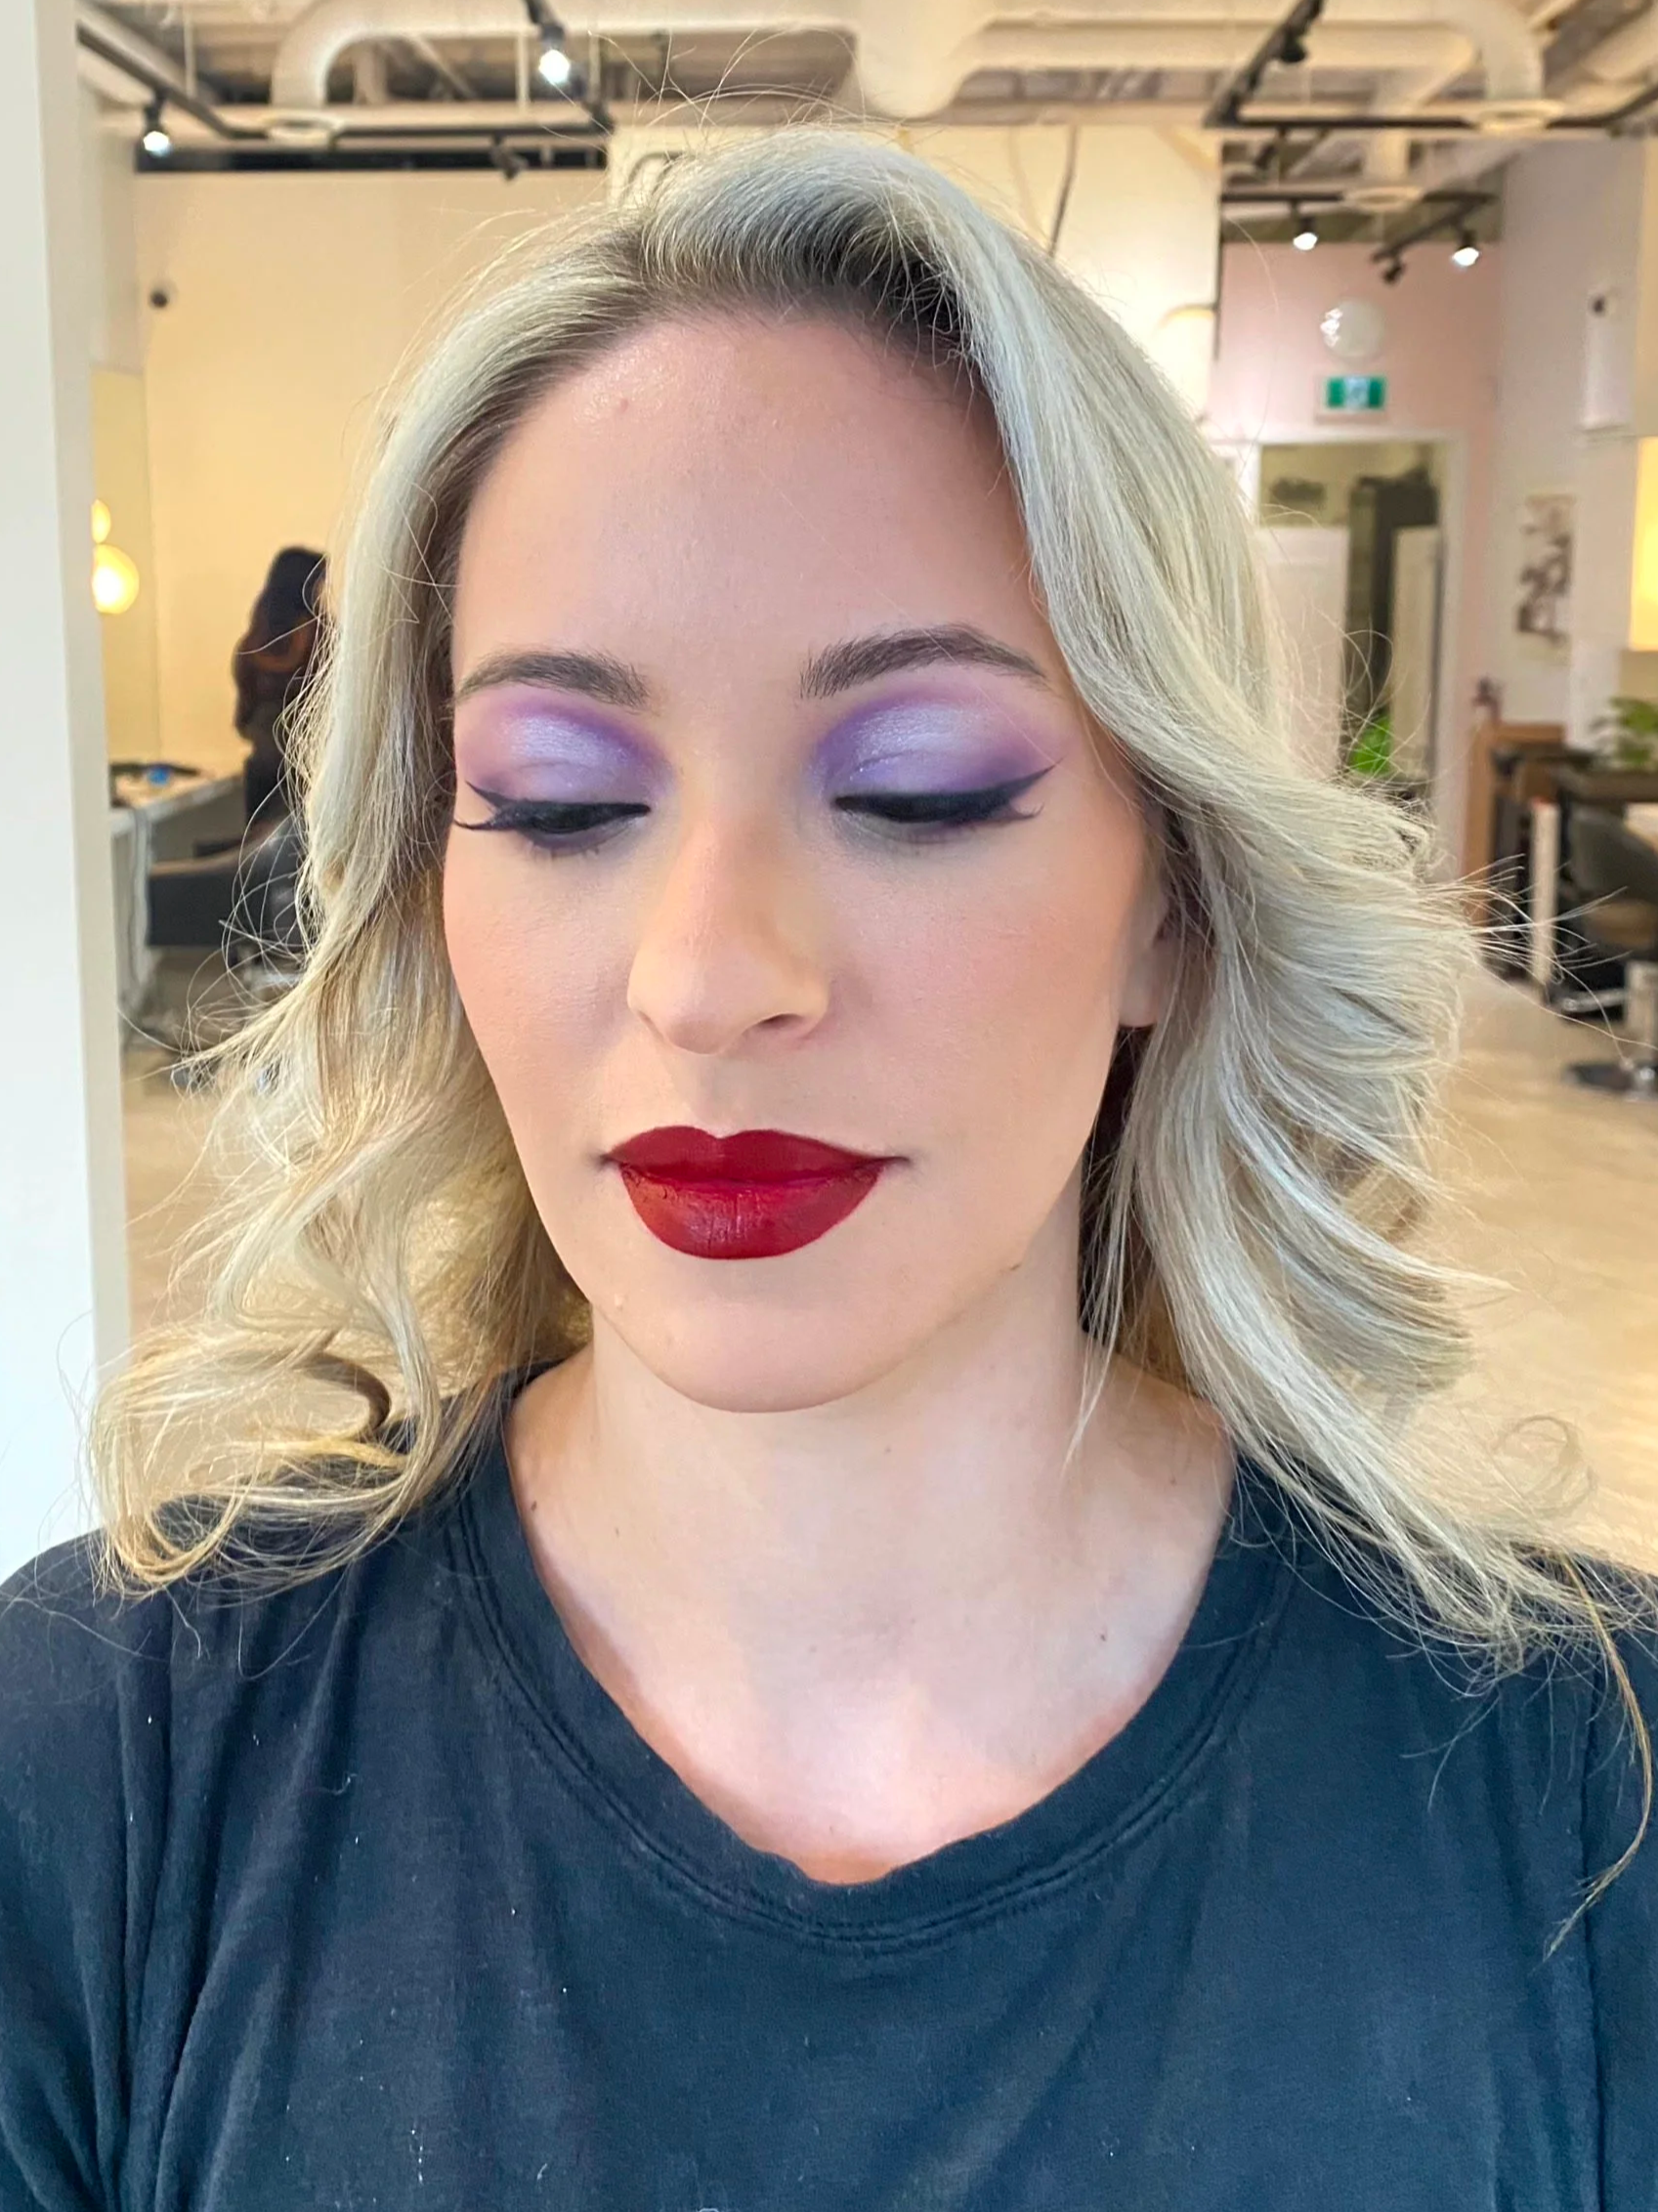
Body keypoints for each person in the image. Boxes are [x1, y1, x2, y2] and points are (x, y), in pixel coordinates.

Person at [1, 131, 1653, 2209]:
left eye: (914, 788)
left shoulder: (1585, 1798)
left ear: (1172, 897)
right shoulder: (101, 1758)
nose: (706, 978)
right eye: (559, 798)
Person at [231, 544, 326, 823]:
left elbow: (243, 719)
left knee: (260, 849)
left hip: (263, 771)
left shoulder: (251, 645)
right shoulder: (324, 642)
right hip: (312, 773)